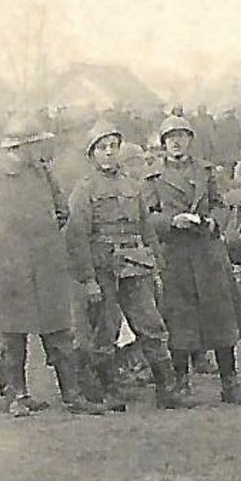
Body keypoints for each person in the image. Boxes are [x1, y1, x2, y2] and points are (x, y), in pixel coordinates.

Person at [0, 113, 106, 416]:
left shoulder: (42, 172)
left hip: (46, 267)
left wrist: (46, 239)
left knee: (60, 332)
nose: (40, 149)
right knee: (11, 337)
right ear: (20, 146)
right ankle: (16, 397)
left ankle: (72, 394)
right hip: (8, 272)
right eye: (35, 144)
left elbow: (62, 211)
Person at [65, 120, 189, 410]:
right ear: (92, 153)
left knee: (152, 324)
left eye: (113, 146)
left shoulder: (132, 185)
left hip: (135, 265)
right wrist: (88, 280)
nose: (109, 152)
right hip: (103, 269)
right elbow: (77, 238)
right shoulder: (83, 191)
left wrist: (155, 267)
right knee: (105, 332)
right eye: (102, 148)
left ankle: (166, 390)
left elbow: (147, 229)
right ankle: (109, 391)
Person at [145, 115, 241, 405]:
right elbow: (145, 218)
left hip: (208, 254)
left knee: (220, 317)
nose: (177, 142)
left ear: (190, 140)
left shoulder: (206, 172)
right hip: (176, 256)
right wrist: (171, 221)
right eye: (171, 138)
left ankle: (230, 384)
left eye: (182, 136)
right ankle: (181, 384)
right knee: (180, 321)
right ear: (164, 144)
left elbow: (221, 205)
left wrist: (210, 222)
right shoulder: (153, 178)